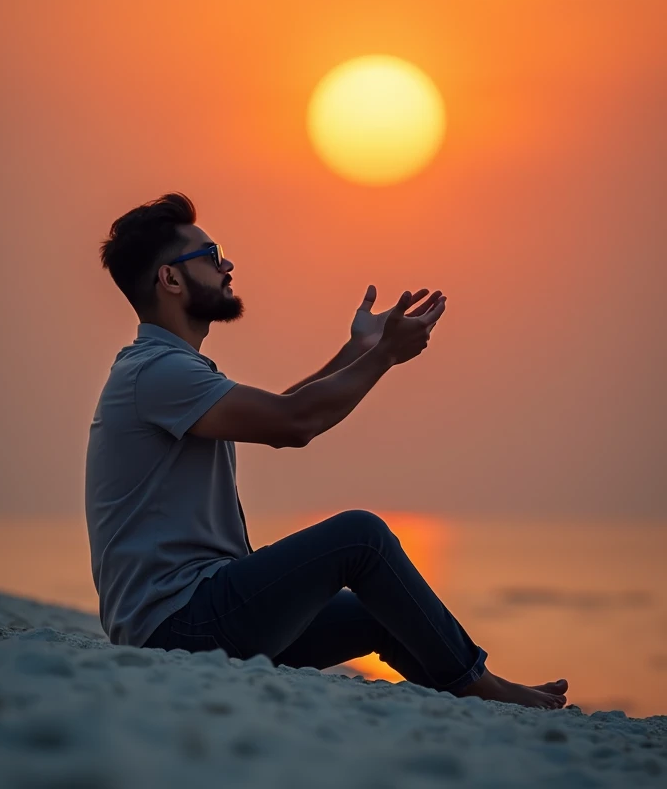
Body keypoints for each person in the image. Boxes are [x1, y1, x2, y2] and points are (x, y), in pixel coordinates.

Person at [85, 191, 568, 709]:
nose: (227, 264)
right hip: (182, 627)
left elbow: (288, 408)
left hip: (201, 617)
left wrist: (358, 350)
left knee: (381, 612)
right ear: (171, 279)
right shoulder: (156, 371)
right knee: (360, 537)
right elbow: (295, 423)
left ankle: (477, 699)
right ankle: (488, 688)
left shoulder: (168, 371)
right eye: (210, 253)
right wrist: (383, 357)